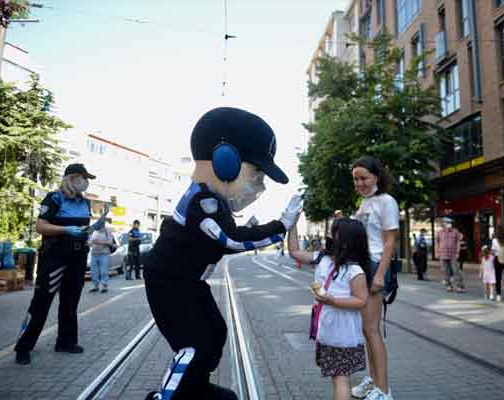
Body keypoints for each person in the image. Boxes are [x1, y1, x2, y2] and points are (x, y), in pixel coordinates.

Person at [143, 107, 302, 400]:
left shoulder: (215, 202)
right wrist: (281, 225)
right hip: (169, 283)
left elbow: (226, 233)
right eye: (256, 174)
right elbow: (231, 239)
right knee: (194, 345)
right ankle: (167, 396)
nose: (259, 186)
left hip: (188, 282)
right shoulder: (202, 201)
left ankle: (196, 387)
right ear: (224, 162)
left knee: (215, 332)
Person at [14, 163, 97, 365]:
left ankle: (66, 342)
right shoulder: (54, 198)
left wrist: (90, 231)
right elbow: (41, 226)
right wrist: (66, 230)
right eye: (82, 178)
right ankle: (23, 347)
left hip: (77, 258)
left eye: (86, 179)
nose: (85, 183)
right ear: (71, 178)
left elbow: (84, 226)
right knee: (41, 303)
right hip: (55, 257)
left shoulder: (85, 203)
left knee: (70, 303)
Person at [288, 218, 371, 400]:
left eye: (334, 233)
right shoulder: (323, 258)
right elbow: (294, 251)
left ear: (345, 242)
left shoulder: (354, 271)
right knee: (339, 378)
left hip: (343, 333)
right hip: (329, 330)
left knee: (340, 378)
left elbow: (361, 300)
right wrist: (291, 224)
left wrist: (332, 301)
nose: (329, 236)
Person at [350, 156, 398, 400]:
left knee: (371, 329)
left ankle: (384, 390)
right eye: (356, 179)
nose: (359, 183)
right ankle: (372, 379)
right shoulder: (365, 202)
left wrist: (380, 274)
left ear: (376, 177)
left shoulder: (386, 202)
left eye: (364, 178)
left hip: (376, 265)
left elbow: (390, 240)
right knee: (366, 329)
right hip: (364, 265)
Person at [436, 217, 465, 293]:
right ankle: (449, 285)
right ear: (444, 224)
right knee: (445, 271)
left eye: (450, 223)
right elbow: (437, 243)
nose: (449, 224)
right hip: (443, 254)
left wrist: (458, 252)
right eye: (447, 223)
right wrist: (437, 252)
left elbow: (458, 242)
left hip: (453, 254)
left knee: (456, 270)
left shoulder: (455, 232)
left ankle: (459, 286)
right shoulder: (439, 232)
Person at [89, 220, 116, 293]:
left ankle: (104, 286)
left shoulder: (108, 231)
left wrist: (98, 242)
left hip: (104, 254)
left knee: (104, 271)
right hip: (94, 254)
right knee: (94, 271)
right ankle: (95, 286)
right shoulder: (93, 231)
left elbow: (110, 242)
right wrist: (90, 243)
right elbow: (89, 242)